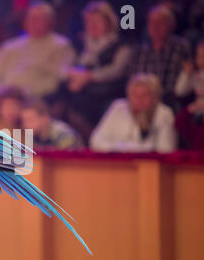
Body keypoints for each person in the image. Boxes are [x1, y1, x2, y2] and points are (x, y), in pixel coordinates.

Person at [61, 1, 132, 143]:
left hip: (108, 90)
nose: (92, 25)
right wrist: (77, 76)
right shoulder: (78, 43)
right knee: (63, 96)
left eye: (97, 21)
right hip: (80, 87)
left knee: (85, 102)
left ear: (109, 22)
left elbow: (116, 71)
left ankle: (93, 142)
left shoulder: (121, 45)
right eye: (89, 21)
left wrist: (89, 77)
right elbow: (65, 66)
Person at [0, 1, 75, 98]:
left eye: (38, 18)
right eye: (30, 18)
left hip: (36, 99)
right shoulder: (10, 46)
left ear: (50, 22)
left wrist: (26, 92)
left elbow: (59, 79)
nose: (33, 21)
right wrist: (0, 91)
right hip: (4, 98)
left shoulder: (60, 45)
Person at [90, 73, 177, 153]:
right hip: (117, 165)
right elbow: (95, 140)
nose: (139, 99)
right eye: (135, 94)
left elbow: (166, 149)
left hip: (149, 167)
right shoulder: (118, 107)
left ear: (155, 97)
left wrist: (123, 148)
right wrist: (120, 148)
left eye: (144, 95)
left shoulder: (164, 113)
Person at [130, 4, 192, 111]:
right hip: (141, 99)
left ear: (171, 25)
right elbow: (133, 80)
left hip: (168, 101)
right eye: (151, 22)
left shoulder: (181, 48)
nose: (155, 26)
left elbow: (183, 83)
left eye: (161, 22)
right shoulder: (139, 50)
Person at [175, 40, 204, 149]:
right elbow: (180, 91)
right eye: (199, 55)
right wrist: (186, 74)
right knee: (180, 121)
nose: (201, 59)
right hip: (198, 113)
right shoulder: (195, 75)